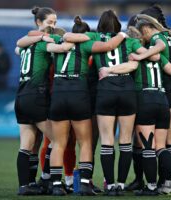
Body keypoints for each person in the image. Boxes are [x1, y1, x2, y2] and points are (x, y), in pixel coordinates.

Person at [63, 10, 160, 196]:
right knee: (125, 142)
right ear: (118, 26)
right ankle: (121, 186)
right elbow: (154, 57)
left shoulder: (92, 36)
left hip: (105, 91)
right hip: (127, 91)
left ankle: (110, 186)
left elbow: (69, 36)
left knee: (107, 142)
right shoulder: (129, 41)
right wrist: (138, 56)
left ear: (100, 25)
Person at [129, 14, 171, 196]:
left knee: (165, 141)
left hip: (167, 92)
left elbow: (160, 49)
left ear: (147, 30)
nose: (147, 39)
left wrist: (140, 56)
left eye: (145, 35)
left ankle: (165, 183)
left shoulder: (156, 43)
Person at [14, 6, 72, 195]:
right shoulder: (44, 42)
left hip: (21, 96)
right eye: (50, 22)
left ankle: (25, 186)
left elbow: (18, 46)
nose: (53, 26)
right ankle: (49, 180)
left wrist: (37, 36)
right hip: (36, 96)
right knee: (57, 141)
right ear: (39, 23)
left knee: (27, 145)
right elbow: (63, 47)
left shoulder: (24, 46)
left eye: (55, 23)